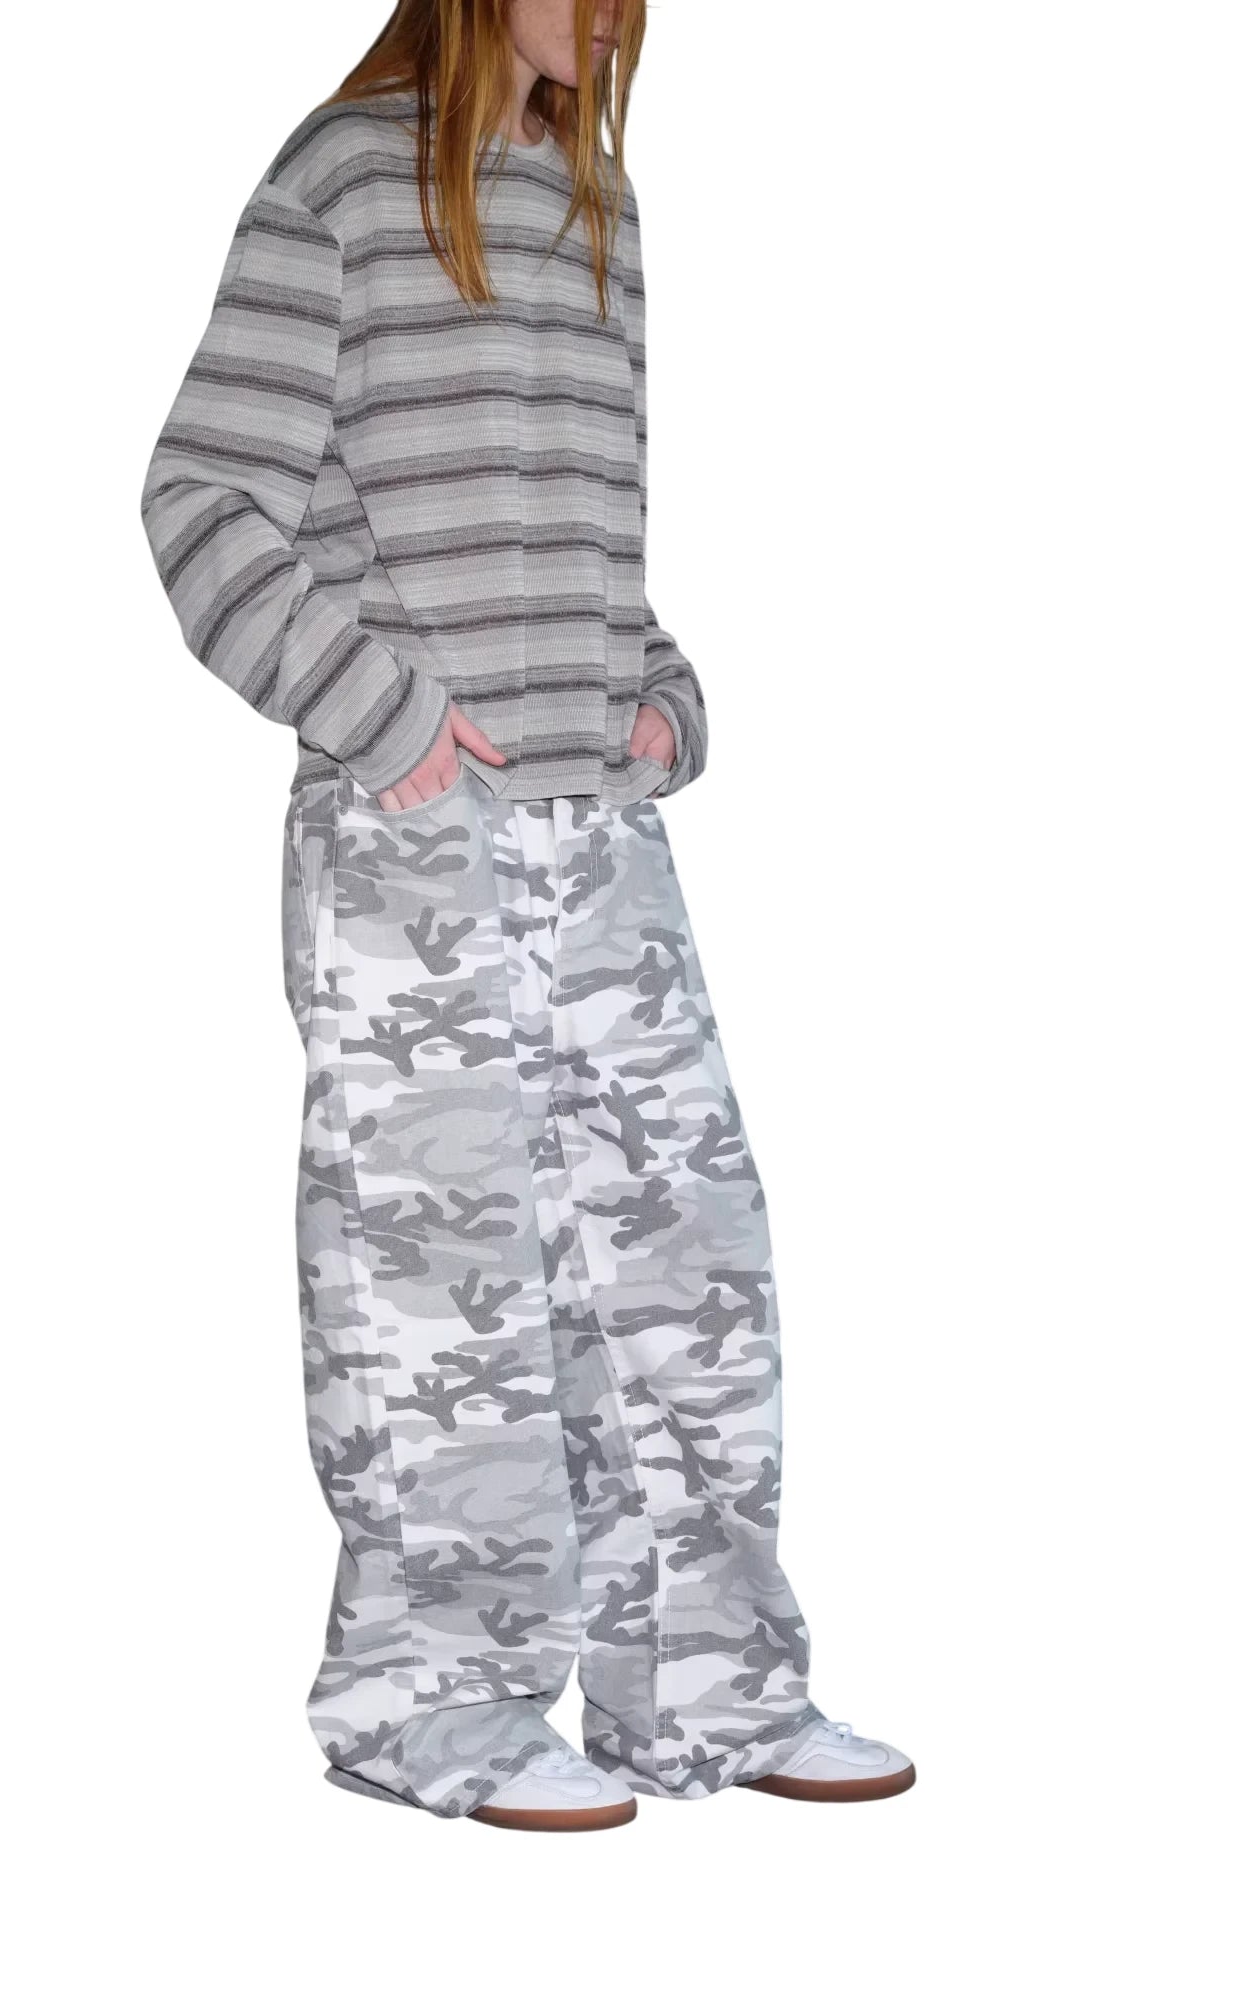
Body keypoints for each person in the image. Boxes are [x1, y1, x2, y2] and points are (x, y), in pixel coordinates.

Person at [141, 0, 914, 1831]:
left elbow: (580, 538)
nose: (616, 13)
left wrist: (662, 699)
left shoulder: (598, 205)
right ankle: (435, 1708)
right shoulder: (344, 180)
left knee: (681, 1265)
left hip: (603, 831)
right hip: (412, 835)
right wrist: (390, 719)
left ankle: (705, 1691)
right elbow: (203, 498)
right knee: (440, 1292)